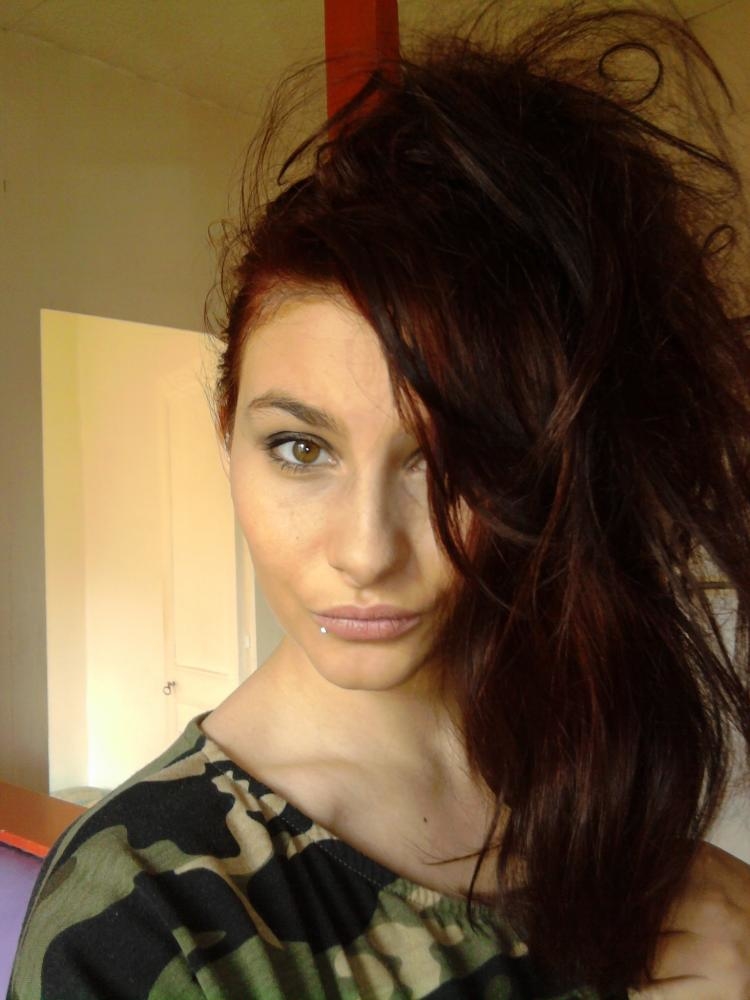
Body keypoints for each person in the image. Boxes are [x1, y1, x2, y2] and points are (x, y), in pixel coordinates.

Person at [9, 3, 750, 998]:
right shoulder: (151, 915)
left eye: (448, 462)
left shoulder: (592, 779)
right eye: (301, 448)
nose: (365, 551)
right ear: (227, 435)